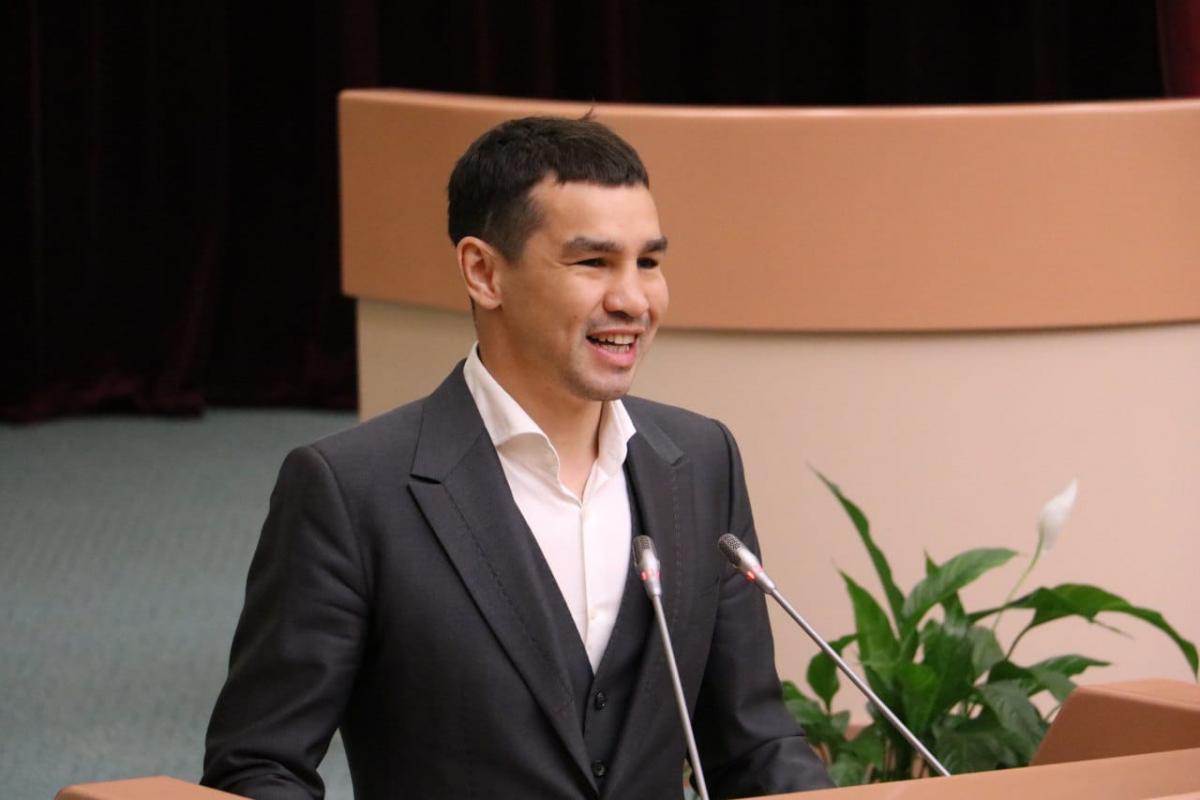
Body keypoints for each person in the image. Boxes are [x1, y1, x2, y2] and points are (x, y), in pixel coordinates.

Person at [202, 115, 832, 799]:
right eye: (593, 263)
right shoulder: (351, 490)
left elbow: (753, 745)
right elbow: (258, 767)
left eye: (648, 263)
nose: (633, 300)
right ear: (484, 272)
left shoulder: (703, 462)